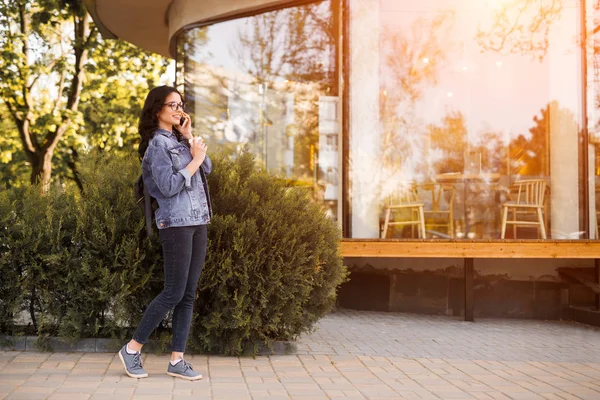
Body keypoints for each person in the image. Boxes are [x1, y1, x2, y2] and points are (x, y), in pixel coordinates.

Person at [118, 85, 212, 381]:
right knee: (173, 292)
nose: (178, 109)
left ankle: (177, 360)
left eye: (180, 104)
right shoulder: (156, 147)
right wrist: (194, 159)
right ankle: (132, 349)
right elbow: (169, 187)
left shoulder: (180, 140)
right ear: (157, 109)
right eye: (172, 105)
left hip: (198, 221)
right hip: (175, 224)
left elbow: (206, 168)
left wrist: (188, 137)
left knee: (187, 294)